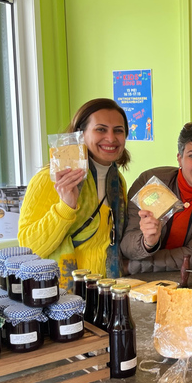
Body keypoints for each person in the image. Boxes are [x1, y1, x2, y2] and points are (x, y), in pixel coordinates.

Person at [18, 98, 130, 287]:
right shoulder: (50, 179)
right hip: (63, 299)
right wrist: (66, 207)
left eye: (118, 130)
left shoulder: (118, 182)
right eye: (101, 129)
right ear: (81, 134)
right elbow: (29, 248)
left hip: (105, 293)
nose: (111, 138)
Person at [121, 121, 192, 273]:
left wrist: (136, 266)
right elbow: (127, 245)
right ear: (179, 158)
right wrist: (147, 242)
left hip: (180, 278)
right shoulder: (150, 183)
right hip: (135, 281)